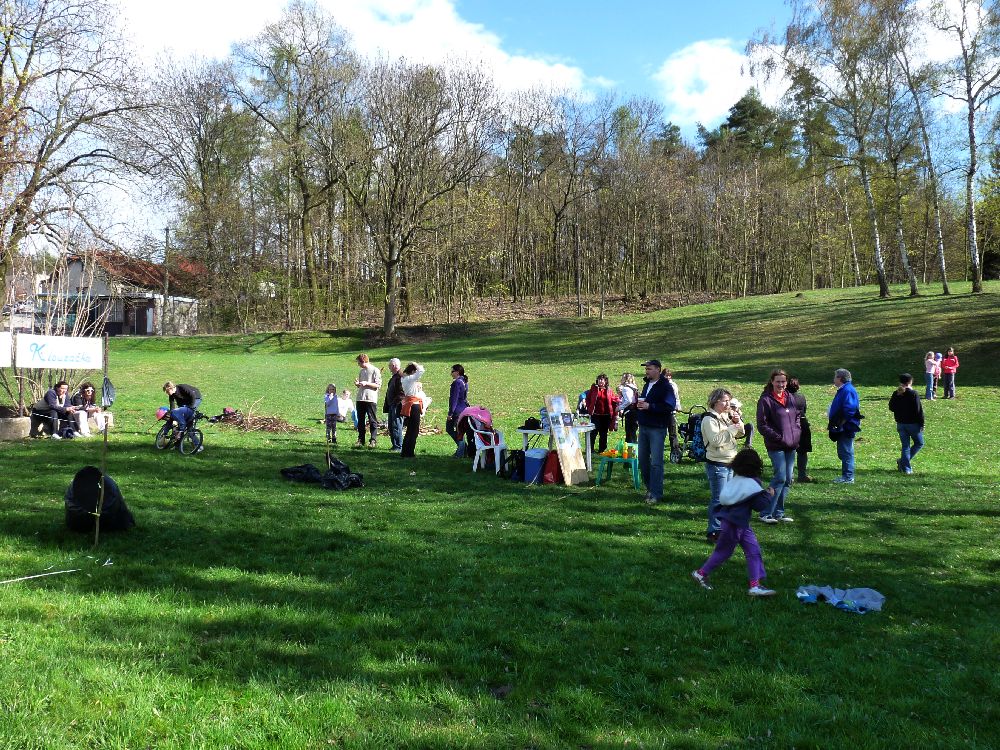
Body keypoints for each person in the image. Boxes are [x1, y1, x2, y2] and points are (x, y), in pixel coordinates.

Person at [691, 448, 776, 597]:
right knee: (723, 551)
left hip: (737, 523)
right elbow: (759, 505)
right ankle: (701, 573)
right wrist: (769, 495)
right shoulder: (753, 483)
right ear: (756, 466)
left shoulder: (736, 479)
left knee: (753, 551)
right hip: (735, 525)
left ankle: (755, 585)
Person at [755, 369, 801, 524]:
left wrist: (797, 431)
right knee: (780, 477)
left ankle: (778, 513)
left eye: (783, 381)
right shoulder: (766, 400)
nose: (781, 384)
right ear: (772, 382)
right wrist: (778, 437)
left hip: (791, 444)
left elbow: (797, 416)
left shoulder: (790, 397)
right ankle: (765, 512)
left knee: (787, 479)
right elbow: (762, 425)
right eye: (778, 381)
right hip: (776, 446)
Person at [701, 387, 746, 542]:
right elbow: (716, 441)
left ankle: (724, 529)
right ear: (715, 402)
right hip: (717, 464)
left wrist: (737, 422)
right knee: (718, 499)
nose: (728, 404)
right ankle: (714, 531)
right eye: (725, 401)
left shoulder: (725, 416)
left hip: (730, 462)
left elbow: (741, 433)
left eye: (729, 401)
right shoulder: (709, 419)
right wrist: (732, 428)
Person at [635, 359, 677, 505]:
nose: (646, 371)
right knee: (642, 460)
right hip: (644, 427)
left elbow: (669, 406)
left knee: (656, 463)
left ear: (658, 369)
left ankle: (656, 493)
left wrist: (650, 406)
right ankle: (650, 488)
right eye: (646, 369)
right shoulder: (647, 384)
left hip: (657, 428)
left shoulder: (665, 386)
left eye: (649, 368)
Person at [64, 465, 135, 533]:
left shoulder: (110, 490)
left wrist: (98, 515)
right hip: (79, 519)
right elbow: (72, 506)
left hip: (109, 518)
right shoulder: (73, 490)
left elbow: (112, 510)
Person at [828, 368, 862, 484]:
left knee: (846, 451)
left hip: (846, 426)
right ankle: (846, 475)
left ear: (840, 378)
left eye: (835, 377)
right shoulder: (844, 389)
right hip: (841, 425)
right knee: (843, 451)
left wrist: (840, 422)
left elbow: (850, 409)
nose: (834, 379)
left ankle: (848, 477)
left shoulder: (848, 390)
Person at [889, 373, 924, 475]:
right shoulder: (913, 394)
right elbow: (918, 410)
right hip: (913, 424)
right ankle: (905, 465)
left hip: (900, 423)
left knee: (905, 446)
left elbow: (891, 407)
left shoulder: (896, 393)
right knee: (919, 443)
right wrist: (922, 423)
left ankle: (904, 465)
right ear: (910, 381)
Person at [786, 377, 813, 483]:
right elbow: (804, 410)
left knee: (789, 450)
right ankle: (802, 475)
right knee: (802, 451)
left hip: (790, 424)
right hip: (803, 424)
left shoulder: (785, 398)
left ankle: (790, 475)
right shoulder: (801, 397)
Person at [585, 373, 619, 454]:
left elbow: (613, 399)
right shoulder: (594, 389)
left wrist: (617, 401)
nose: (600, 381)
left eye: (602, 380)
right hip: (596, 415)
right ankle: (590, 449)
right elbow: (588, 399)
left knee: (603, 433)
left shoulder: (609, 390)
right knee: (593, 432)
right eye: (599, 379)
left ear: (605, 381)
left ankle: (602, 450)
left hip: (606, 416)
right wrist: (589, 407)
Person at [354, 354, 382, 447]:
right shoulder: (361, 371)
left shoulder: (375, 370)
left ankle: (373, 440)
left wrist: (366, 383)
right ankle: (361, 439)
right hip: (360, 398)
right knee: (360, 420)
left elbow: (377, 385)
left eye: (359, 363)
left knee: (372, 420)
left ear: (363, 361)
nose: (358, 365)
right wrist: (358, 384)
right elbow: (361, 385)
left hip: (370, 399)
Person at [399, 362, 426, 458]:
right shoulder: (410, 379)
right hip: (414, 405)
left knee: (410, 430)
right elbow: (421, 370)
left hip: (410, 404)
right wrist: (415, 363)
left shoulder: (405, 379)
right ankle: (409, 452)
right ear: (413, 371)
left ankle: (405, 452)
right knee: (414, 430)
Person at [446, 364, 470, 457]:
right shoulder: (464, 381)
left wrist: (450, 413)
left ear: (457, 372)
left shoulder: (457, 383)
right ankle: (464, 450)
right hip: (464, 409)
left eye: (452, 371)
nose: (451, 373)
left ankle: (461, 453)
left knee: (452, 430)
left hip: (457, 410)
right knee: (458, 431)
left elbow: (454, 399)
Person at [383, 358, 404, 452]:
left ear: (394, 366)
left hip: (397, 405)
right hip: (392, 405)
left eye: (389, 366)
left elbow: (402, 393)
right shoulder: (394, 377)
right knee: (391, 426)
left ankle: (398, 446)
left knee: (396, 425)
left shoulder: (400, 376)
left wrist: (394, 402)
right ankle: (395, 445)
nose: (389, 368)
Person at [616, 373, 639, 444]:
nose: (621, 379)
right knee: (633, 432)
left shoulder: (626, 388)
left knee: (629, 432)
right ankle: (633, 447)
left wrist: (619, 408)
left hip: (630, 411)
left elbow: (628, 401)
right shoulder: (634, 387)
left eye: (622, 378)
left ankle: (630, 448)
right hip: (635, 411)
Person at [664, 368, 682, 454]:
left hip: (671, 411)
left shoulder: (673, 385)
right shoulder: (660, 385)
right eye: (666, 376)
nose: (668, 377)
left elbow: (676, 397)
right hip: (662, 412)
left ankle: (675, 451)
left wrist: (678, 406)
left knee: (673, 433)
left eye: (669, 376)